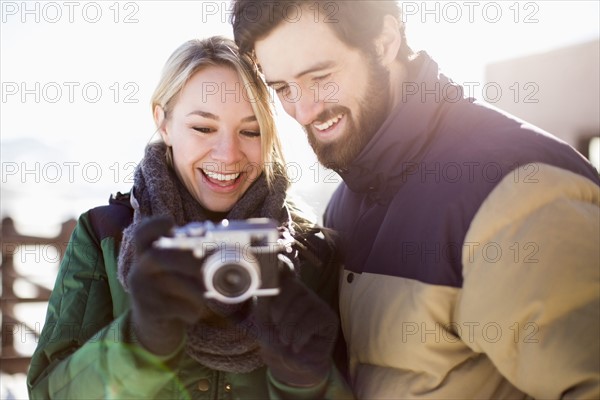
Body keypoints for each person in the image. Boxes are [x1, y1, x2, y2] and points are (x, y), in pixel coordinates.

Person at [231, 1, 600, 398]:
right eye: (283, 88)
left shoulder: (519, 188)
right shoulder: (347, 200)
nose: (303, 110)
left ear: (385, 41)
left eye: (320, 76)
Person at [27, 36, 353, 399]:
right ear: (163, 122)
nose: (228, 154)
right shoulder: (106, 236)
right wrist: (139, 342)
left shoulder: (309, 253)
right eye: (203, 128)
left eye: (251, 131)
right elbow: (48, 393)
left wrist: (303, 381)